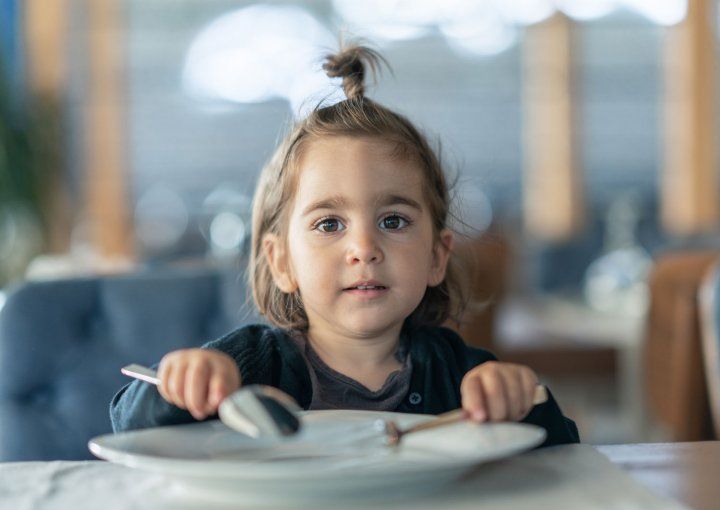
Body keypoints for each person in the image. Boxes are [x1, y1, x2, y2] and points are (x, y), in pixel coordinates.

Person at [110, 44, 579, 447]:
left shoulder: (459, 373)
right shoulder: (249, 366)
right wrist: (179, 386)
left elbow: (560, 449)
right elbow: (129, 425)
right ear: (281, 261)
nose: (364, 248)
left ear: (437, 256)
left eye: (393, 221)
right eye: (330, 224)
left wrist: (519, 401)